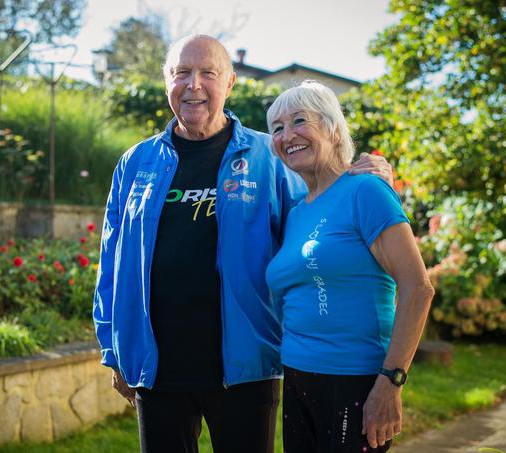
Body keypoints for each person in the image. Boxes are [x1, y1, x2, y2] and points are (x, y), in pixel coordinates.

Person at [93, 35, 393, 453]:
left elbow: (318, 214)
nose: (193, 84)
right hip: (157, 367)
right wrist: (113, 349)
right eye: (181, 73)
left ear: (230, 83)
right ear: (168, 83)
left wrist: (359, 174)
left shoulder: (268, 156)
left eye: (207, 73)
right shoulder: (136, 161)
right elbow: (112, 260)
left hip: (245, 366)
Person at [264, 80, 434, 452]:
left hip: (353, 379)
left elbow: (418, 287)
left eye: (299, 121)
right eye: (277, 128)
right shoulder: (297, 212)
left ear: (334, 129)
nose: (287, 135)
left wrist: (391, 381)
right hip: (296, 376)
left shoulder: (366, 191)